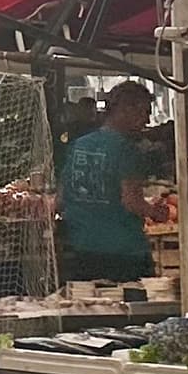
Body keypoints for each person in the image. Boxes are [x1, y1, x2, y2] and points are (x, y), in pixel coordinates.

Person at [57, 81, 160, 285]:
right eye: (144, 112)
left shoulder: (79, 145)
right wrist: (156, 212)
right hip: (124, 252)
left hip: (82, 250)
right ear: (126, 109)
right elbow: (131, 201)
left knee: (90, 311)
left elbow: (60, 199)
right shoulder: (126, 150)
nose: (147, 120)